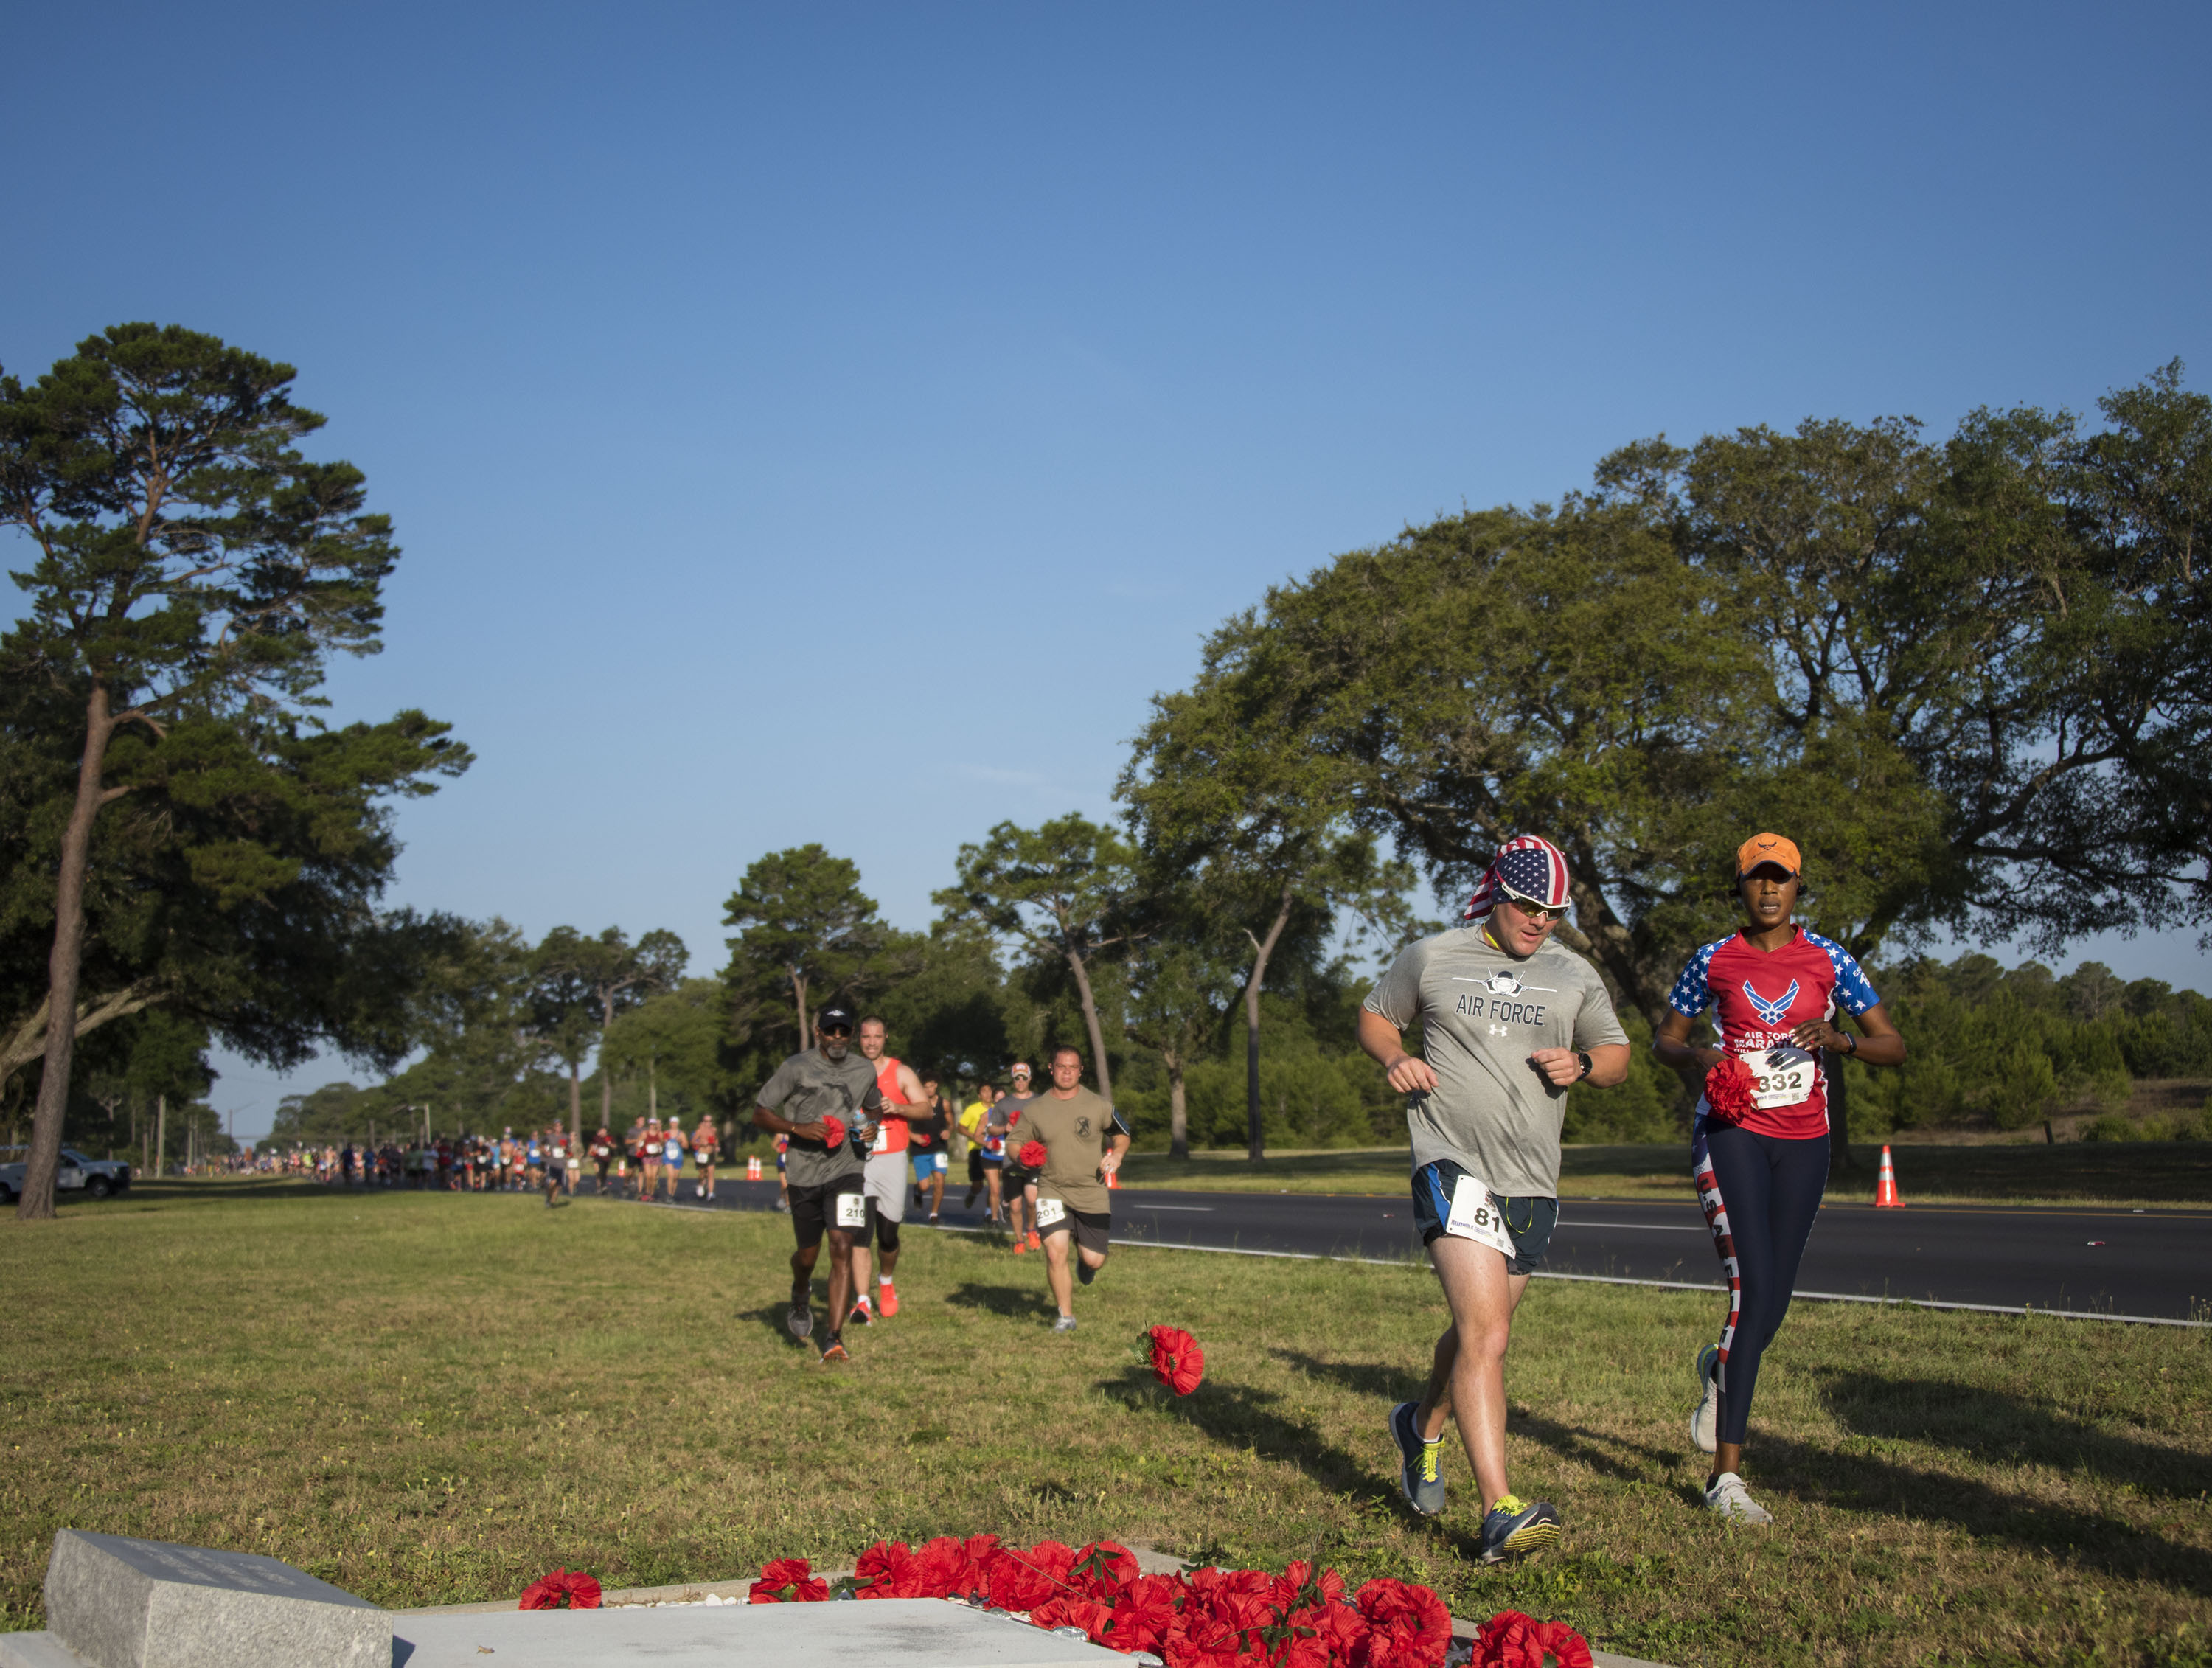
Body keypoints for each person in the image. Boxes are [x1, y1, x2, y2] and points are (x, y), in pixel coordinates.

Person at [1360, 833, 1632, 1564]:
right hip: (1451, 1163)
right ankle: (1499, 1511)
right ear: (1496, 893)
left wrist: (1582, 1062)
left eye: (1552, 910)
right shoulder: (1434, 954)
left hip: (1533, 1180)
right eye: (1527, 905)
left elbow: (1617, 1056)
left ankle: (1421, 1427)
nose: (1540, 919)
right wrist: (1397, 1056)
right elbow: (1378, 1016)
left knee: (1475, 1332)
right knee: (1489, 1338)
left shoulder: (1574, 974)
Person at [1653, 832, 1907, 1525]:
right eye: (1756, 879)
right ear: (1739, 889)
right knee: (1752, 1288)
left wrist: (1843, 1040)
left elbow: (1894, 1043)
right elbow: (1664, 1040)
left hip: (1806, 1142)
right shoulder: (1714, 958)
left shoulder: (1830, 959)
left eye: (1781, 879)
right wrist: (1700, 1055)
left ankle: (1719, 1370)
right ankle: (1725, 1480)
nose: (1768, 890)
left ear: (1799, 887)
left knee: (1775, 1302)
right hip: (1731, 1134)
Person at [751, 1004, 888, 1363]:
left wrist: (870, 1127)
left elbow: (873, 1108)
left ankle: (833, 1337)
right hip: (803, 1173)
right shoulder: (796, 1067)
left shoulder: (863, 1070)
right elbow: (760, 1112)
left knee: (842, 1245)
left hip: (848, 1169)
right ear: (819, 1033)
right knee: (808, 1256)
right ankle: (800, 1290)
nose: (838, 1037)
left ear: (852, 1033)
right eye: (831, 1031)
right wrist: (797, 1128)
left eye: (844, 1031)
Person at [1020, 1044, 1130, 1331]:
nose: (1066, 1072)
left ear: (1081, 1070)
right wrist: (1021, 1154)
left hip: (1090, 1191)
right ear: (1051, 1068)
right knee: (1055, 1252)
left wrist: (1116, 1154)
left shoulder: (1098, 1105)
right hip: (1051, 1188)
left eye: (1073, 1067)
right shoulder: (1035, 1110)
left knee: (1094, 1260)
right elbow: (1014, 1143)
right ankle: (1065, 1317)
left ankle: (1086, 1264)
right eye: (1061, 1066)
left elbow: (1122, 1133)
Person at [855, 1016, 929, 1322]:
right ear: (858, 1039)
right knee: (860, 1233)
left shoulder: (900, 1072)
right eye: (865, 1037)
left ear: (886, 1037)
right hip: (857, 1160)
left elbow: (925, 1108)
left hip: (893, 1159)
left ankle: (885, 1280)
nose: (871, 1042)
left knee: (888, 1235)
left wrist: (898, 1108)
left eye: (877, 1036)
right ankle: (862, 1302)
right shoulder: (848, 1072)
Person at [997, 1063, 1040, 1251]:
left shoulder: (1040, 1101)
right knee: (1015, 1206)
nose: (1020, 1081)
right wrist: (1004, 1128)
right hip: (1012, 1160)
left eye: (1024, 1077)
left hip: (1034, 1158)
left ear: (1030, 1079)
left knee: (1032, 1200)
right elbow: (990, 1128)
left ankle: (1031, 1230)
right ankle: (1019, 1241)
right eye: (1017, 1078)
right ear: (1013, 1080)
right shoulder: (1004, 1104)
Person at [911, 1077, 949, 1221]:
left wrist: (948, 1131)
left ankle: (934, 1214)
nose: (929, 1089)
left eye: (931, 1086)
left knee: (940, 1181)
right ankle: (918, 1191)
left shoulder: (944, 1104)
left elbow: (951, 1124)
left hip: (939, 1148)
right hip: (920, 1148)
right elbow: (902, 1126)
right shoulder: (915, 1104)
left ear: (936, 1085)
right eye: (925, 1087)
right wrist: (914, 1137)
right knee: (925, 1186)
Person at [959, 1083, 995, 1210]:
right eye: (984, 1091)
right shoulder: (972, 1109)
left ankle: (989, 1213)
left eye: (990, 1090)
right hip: (976, 1150)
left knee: (993, 1184)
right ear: (979, 1095)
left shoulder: (997, 1108)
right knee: (977, 1184)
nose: (987, 1094)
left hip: (992, 1150)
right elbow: (961, 1127)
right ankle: (973, 1193)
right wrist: (974, 1136)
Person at [692, 1115, 719, 1202]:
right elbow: (692, 1142)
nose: (708, 1123)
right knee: (702, 1174)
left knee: (711, 1174)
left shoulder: (714, 1130)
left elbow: (716, 1140)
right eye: (706, 1121)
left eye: (710, 1121)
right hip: (702, 1154)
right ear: (703, 1122)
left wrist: (716, 1146)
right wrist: (701, 1143)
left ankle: (710, 1194)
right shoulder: (699, 1131)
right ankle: (700, 1184)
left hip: (711, 1154)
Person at [660, 1119, 688, 1203]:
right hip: (667, 1157)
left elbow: (686, 1146)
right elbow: (661, 1144)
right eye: (672, 1122)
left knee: (675, 1178)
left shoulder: (681, 1134)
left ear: (678, 1124)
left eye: (675, 1123)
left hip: (678, 1157)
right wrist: (664, 1141)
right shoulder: (666, 1133)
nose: (674, 1124)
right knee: (671, 1176)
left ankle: (672, 1195)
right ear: (670, 1123)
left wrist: (681, 1142)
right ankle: (669, 1195)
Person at [591, 1126, 614, 1195]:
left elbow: (615, 1146)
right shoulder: (596, 1138)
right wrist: (595, 1150)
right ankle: (600, 1187)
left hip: (607, 1158)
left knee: (604, 1173)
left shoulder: (610, 1138)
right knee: (599, 1171)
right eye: (602, 1130)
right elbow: (592, 1146)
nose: (603, 1132)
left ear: (606, 1132)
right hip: (598, 1157)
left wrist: (610, 1144)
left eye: (604, 1131)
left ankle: (603, 1185)